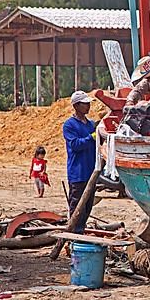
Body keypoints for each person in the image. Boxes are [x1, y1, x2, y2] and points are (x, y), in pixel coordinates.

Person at [63, 90, 97, 234]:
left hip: (91, 171)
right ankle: (74, 233)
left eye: (88, 103)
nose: (88, 106)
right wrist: (92, 137)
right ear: (76, 106)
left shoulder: (91, 124)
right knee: (77, 206)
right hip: (78, 172)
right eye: (85, 104)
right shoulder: (69, 125)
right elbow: (75, 145)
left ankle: (81, 230)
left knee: (88, 205)